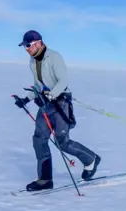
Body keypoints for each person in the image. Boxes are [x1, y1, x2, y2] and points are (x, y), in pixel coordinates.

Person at [13, 30, 101, 192]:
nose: (26, 49)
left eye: (28, 45)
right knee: (39, 139)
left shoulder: (54, 57)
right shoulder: (33, 62)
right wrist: (26, 99)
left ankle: (91, 159)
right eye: (24, 46)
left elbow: (63, 81)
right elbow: (37, 85)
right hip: (46, 104)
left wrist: (51, 95)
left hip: (60, 102)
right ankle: (45, 179)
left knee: (62, 142)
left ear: (38, 43)